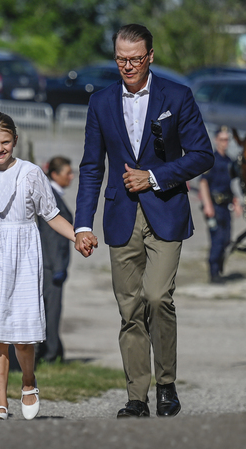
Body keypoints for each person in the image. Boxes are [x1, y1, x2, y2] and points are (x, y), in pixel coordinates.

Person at [74, 24, 214, 418]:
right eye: (121, 59)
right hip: (120, 215)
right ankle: (137, 396)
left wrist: (154, 177)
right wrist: (82, 223)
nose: (128, 66)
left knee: (157, 297)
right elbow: (90, 168)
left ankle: (166, 384)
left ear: (150, 56)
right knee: (130, 308)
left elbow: (203, 154)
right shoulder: (100, 102)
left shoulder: (177, 96)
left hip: (166, 210)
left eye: (136, 59)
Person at [0, 113, 79, 420]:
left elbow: (51, 214)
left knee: (22, 335)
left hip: (25, 253)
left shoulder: (31, 173)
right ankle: (0, 401)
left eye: (5, 142)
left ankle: (28, 381)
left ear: (15, 140)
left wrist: (77, 236)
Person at [36, 156, 75, 363]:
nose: (71, 176)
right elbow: (51, 234)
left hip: (53, 264)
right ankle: (49, 355)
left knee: (51, 311)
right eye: (67, 173)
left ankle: (53, 352)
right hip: (51, 266)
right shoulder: (51, 195)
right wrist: (58, 266)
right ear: (54, 174)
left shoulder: (55, 194)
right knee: (51, 311)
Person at [200, 126, 241, 284]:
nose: (225, 142)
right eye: (222, 139)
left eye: (227, 140)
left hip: (225, 206)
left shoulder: (229, 161)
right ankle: (213, 273)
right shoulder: (211, 160)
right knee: (216, 239)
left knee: (226, 239)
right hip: (214, 206)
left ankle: (219, 268)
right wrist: (207, 205)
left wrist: (235, 201)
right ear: (216, 140)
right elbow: (204, 183)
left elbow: (231, 186)